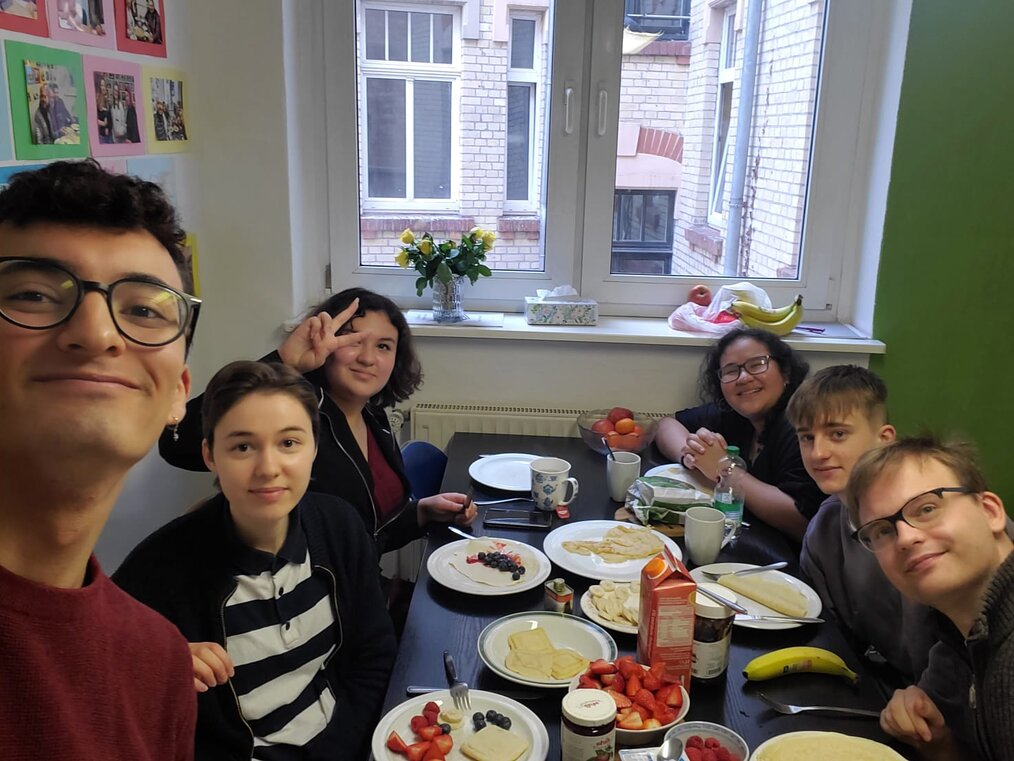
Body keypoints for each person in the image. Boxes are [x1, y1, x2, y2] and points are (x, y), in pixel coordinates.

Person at [0, 159, 201, 759]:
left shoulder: (159, 661)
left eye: (143, 310)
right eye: (33, 295)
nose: (96, 333)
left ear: (177, 394)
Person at [115, 361, 395, 760]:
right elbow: (104, 694)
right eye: (243, 446)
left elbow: (374, 652)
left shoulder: (339, 527)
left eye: (289, 443)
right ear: (211, 455)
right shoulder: (156, 573)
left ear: (314, 447)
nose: (268, 469)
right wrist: (155, 669)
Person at [160, 287, 477, 558]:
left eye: (383, 346)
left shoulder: (375, 419)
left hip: (361, 592)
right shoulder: (291, 420)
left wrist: (420, 511)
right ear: (324, 343)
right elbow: (178, 443)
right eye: (353, 340)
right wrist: (284, 362)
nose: (368, 358)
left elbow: (368, 533)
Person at [788, 366, 978, 754]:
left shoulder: (940, 522)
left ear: (883, 437)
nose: (819, 452)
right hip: (891, 703)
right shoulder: (824, 529)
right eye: (807, 438)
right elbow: (834, 635)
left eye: (837, 433)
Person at [844, 437, 1014, 761]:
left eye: (926, 509)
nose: (906, 538)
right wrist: (941, 745)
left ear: (991, 511)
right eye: (883, 531)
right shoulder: (952, 645)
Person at [656, 327, 822, 540]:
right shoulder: (734, 414)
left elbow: (803, 523)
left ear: (786, 373)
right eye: (731, 371)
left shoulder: (803, 426)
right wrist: (691, 455)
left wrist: (724, 470)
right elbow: (667, 425)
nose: (743, 377)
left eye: (757, 365)